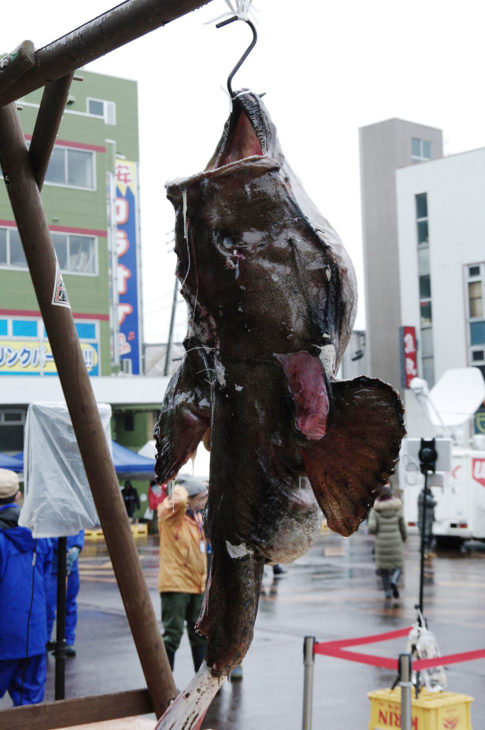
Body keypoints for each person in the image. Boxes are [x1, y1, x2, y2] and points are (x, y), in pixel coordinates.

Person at [0, 468, 53, 705]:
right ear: (18, 496)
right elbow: (48, 586)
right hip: (33, 634)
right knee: (29, 710)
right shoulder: (39, 533)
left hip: (3, 637)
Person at [157, 474, 208, 674]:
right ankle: (164, 687)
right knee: (172, 635)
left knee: (199, 635)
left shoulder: (194, 518)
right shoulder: (171, 515)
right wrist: (182, 486)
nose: (203, 503)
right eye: (201, 498)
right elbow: (177, 500)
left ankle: (199, 685)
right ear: (190, 497)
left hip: (196, 586)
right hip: (176, 585)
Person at [46, 530, 84, 657]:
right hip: (54, 564)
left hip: (70, 565)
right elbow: (48, 531)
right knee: (48, 605)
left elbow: (80, 529)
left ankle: (68, 641)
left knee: (70, 603)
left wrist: (77, 547)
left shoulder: (77, 511)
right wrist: (64, 548)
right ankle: (44, 640)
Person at [368, 485, 407, 599]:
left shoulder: (375, 508)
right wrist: (404, 537)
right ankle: (394, 580)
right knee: (398, 566)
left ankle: (387, 592)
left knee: (383, 569)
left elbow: (372, 527)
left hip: (381, 543)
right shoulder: (397, 506)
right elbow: (402, 524)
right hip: (395, 540)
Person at [418, 485, 437, 558]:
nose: (430, 488)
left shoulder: (428, 495)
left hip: (429, 519)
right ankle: (424, 552)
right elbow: (432, 502)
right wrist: (434, 502)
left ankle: (428, 551)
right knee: (425, 536)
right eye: (428, 487)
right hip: (424, 520)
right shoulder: (422, 495)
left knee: (430, 536)